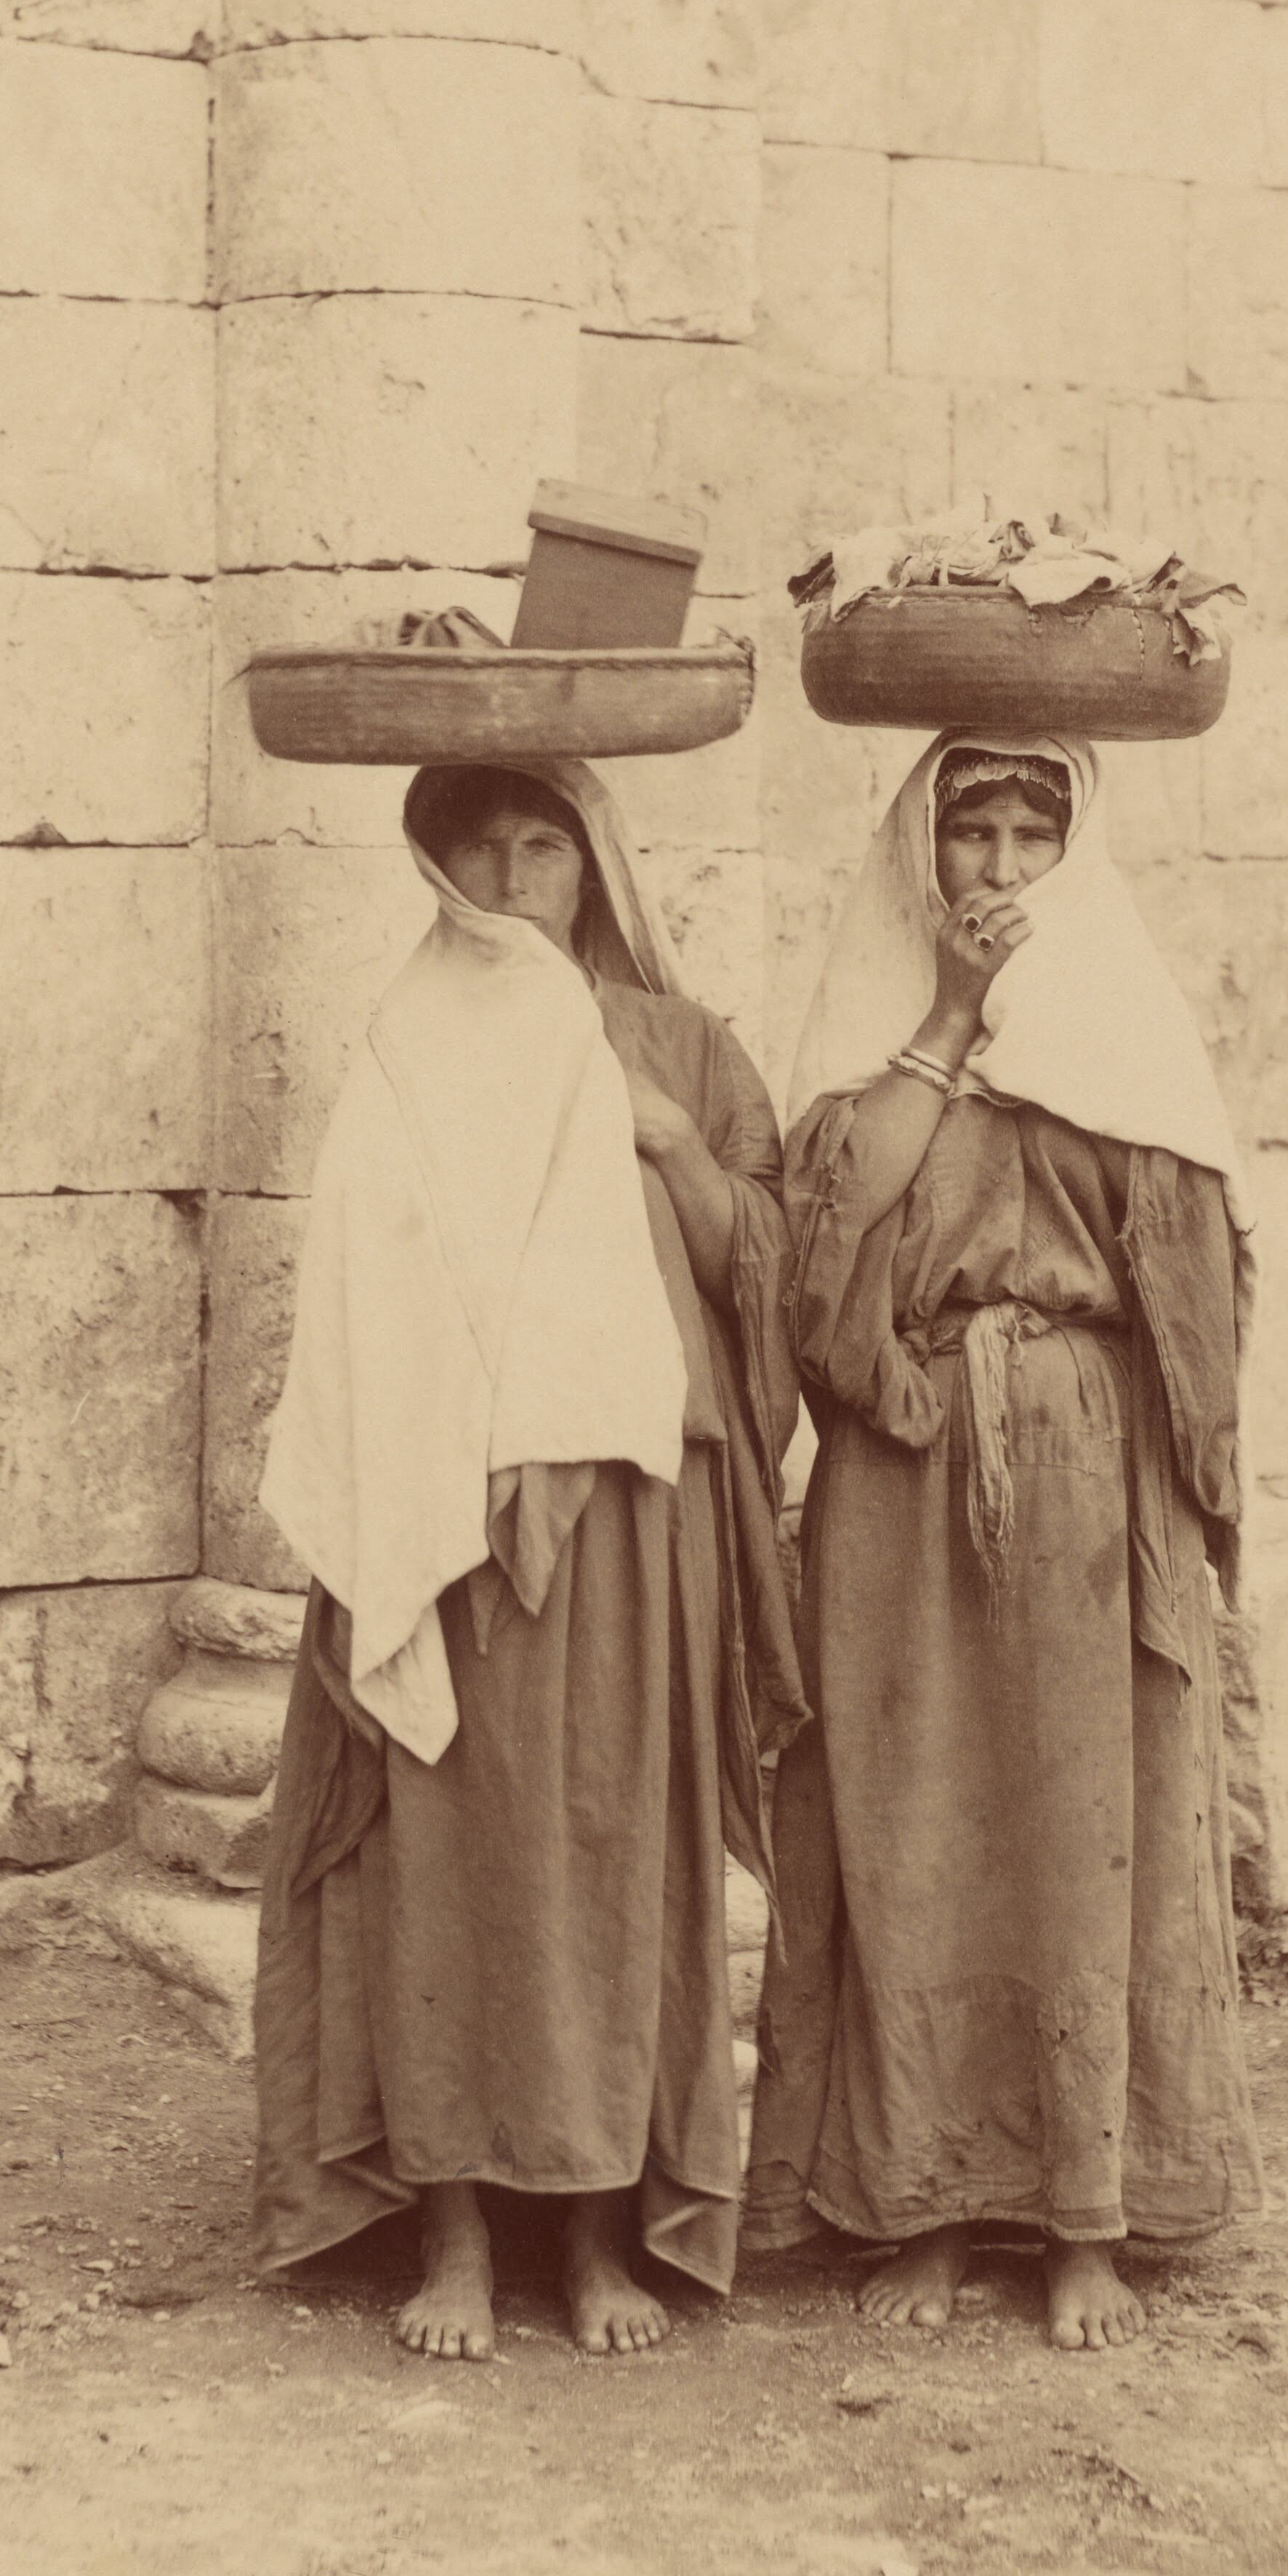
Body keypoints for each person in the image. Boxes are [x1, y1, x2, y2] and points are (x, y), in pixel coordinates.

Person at [251, 761, 805, 2362]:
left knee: (610, 1847)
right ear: (440, 871)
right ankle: (452, 2233)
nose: (511, 879)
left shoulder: (686, 1046)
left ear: (596, 865)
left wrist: (672, 1146)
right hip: (435, 1505)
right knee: (443, 1853)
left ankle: (597, 2235)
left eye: (544, 845)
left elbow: (763, 1273)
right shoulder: (403, 1045)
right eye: (479, 849)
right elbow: (360, 1286)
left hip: (640, 1505)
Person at [744, 730, 1263, 2349]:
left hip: (1092, 1484)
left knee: (1082, 1828)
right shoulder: (870, 1043)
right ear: (925, 854)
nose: (1001, 866)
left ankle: (1083, 2221)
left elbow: (1194, 1294)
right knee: (911, 1823)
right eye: (972, 831)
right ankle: (921, 2203)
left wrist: (1178, 1497)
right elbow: (819, 1260)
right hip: (905, 1470)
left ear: (1073, 851)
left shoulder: (1130, 1041)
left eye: (1036, 831)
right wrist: (957, 1022)